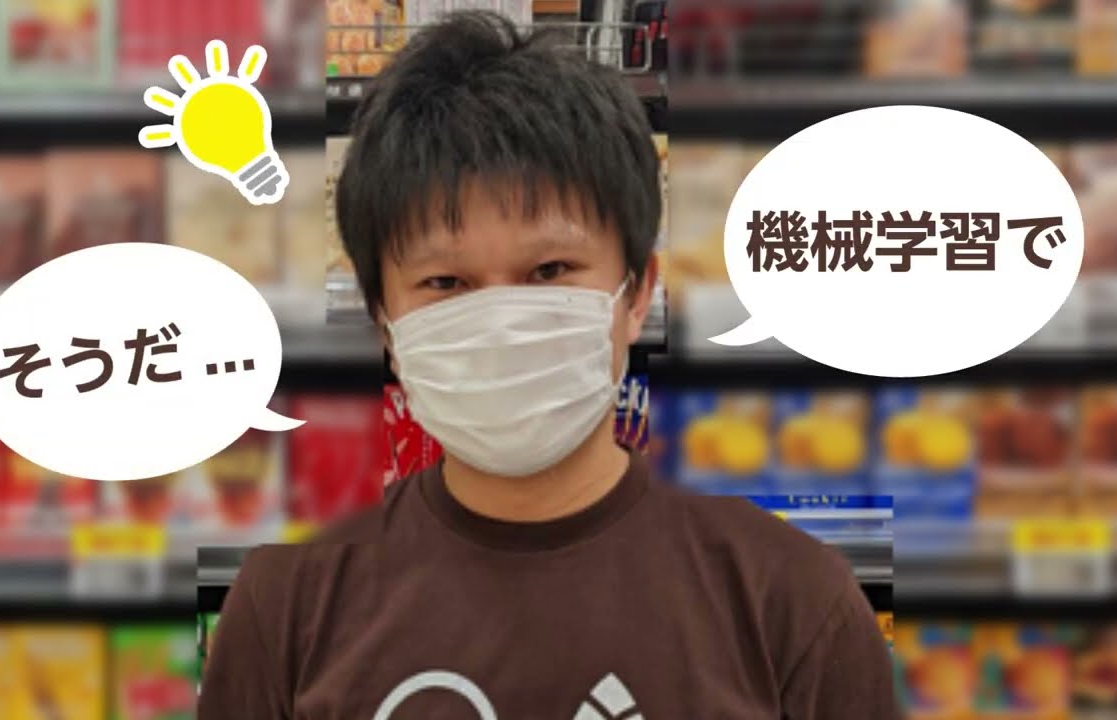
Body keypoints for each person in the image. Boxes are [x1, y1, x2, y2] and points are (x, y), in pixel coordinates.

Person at [199, 11, 899, 719]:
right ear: (383, 320)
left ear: (638, 294)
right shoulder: (284, 607)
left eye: (550, 269)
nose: (502, 320)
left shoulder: (794, 605)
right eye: (446, 283)